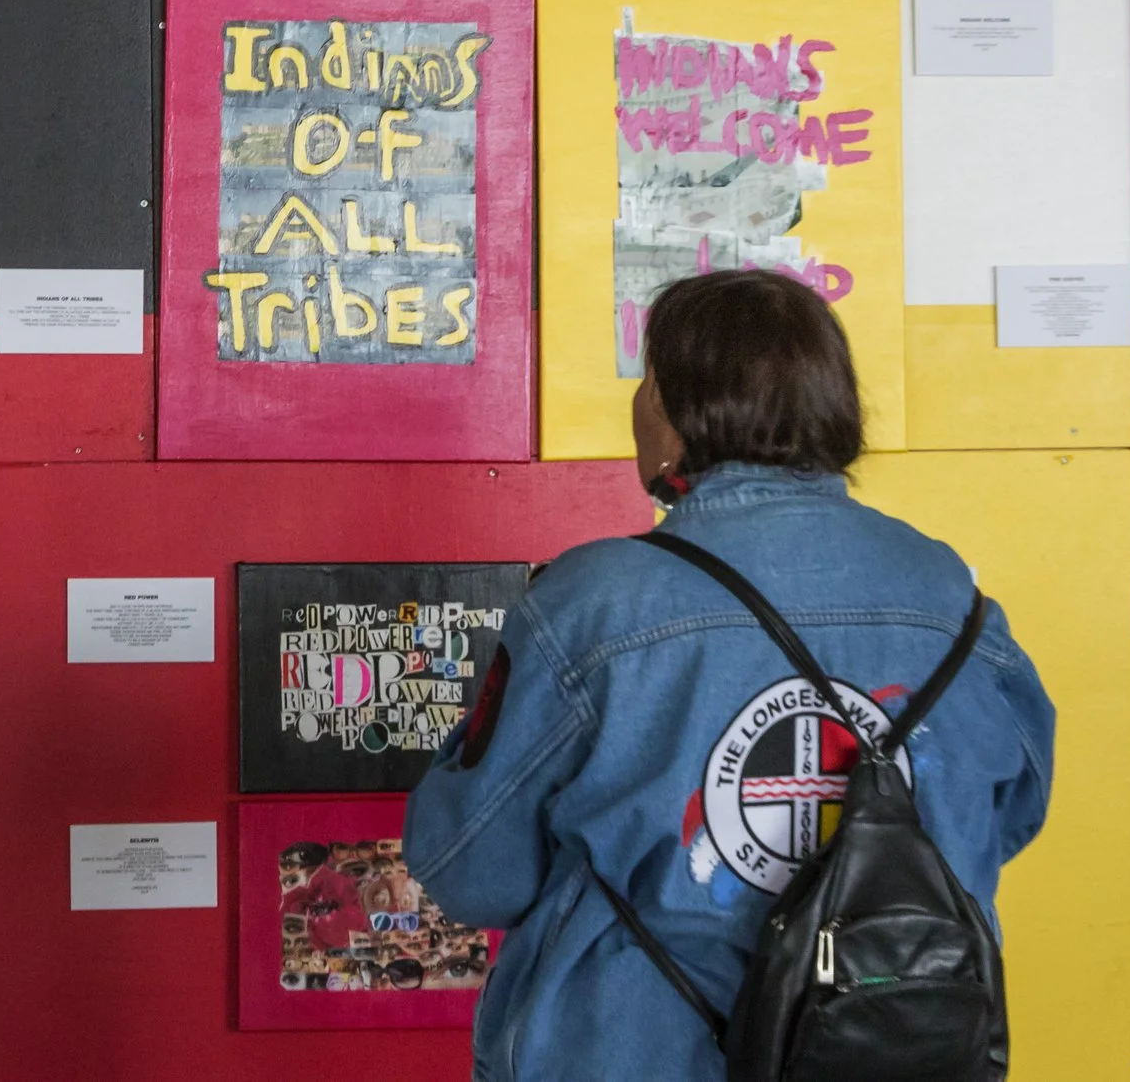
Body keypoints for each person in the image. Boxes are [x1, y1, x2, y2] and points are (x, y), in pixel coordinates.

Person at [403, 270, 1053, 1082]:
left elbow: (469, 866)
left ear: (680, 414)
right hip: (890, 1049)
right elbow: (1008, 813)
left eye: (647, 381)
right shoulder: (949, 593)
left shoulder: (591, 604)